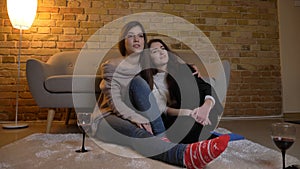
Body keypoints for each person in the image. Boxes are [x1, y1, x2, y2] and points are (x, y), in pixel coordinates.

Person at [91, 21, 229, 169]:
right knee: (136, 132)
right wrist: (135, 117)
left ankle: (161, 138)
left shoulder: (146, 67)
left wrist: (190, 67)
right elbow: (114, 101)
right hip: (109, 115)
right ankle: (180, 154)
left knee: (138, 85)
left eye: (140, 36)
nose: (137, 40)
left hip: (141, 117)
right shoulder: (111, 65)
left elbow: (165, 68)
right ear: (122, 41)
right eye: (131, 36)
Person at [136, 38, 224, 143]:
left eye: (163, 48)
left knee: (186, 77)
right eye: (155, 51)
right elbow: (163, 109)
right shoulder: (151, 81)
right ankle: (202, 138)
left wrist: (205, 107)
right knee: (183, 128)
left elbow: (205, 87)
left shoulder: (183, 69)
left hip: (204, 111)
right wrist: (190, 113)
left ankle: (201, 132)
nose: (161, 52)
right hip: (178, 115)